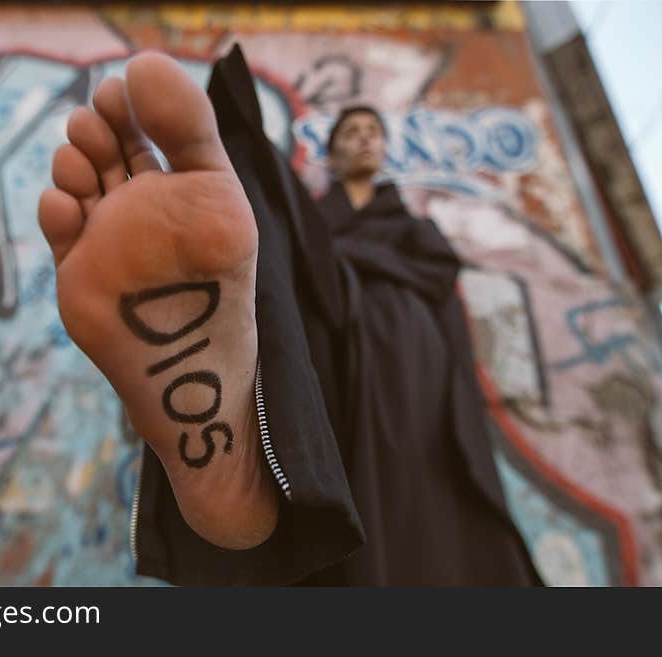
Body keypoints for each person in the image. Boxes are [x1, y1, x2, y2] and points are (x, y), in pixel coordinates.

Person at [38, 45, 542, 586]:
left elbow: (439, 285)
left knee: (406, 501)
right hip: (333, 359)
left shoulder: (412, 227)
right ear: (332, 153)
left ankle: (266, 446)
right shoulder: (316, 223)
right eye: (351, 134)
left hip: (407, 373)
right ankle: (257, 432)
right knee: (264, 200)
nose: (364, 139)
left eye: (373, 132)